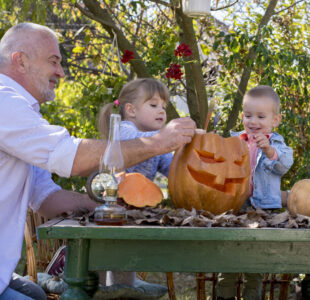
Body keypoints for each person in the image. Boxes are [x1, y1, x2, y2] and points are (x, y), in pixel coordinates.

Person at [0, 22, 196, 299]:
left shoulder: (20, 115)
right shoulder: (3, 102)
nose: (61, 72)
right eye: (53, 61)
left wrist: (107, 210)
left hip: (4, 274)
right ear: (20, 61)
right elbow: (69, 157)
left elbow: (46, 197)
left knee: (38, 294)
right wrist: (159, 142)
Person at [216, 85, 294, 300]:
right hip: (235, 205)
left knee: (255, 257)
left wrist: (269, 150)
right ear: (242, 116)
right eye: (249, 115)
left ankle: (253, 295)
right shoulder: (234, 140)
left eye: (261, 116)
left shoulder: (277, 143)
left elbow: (284, 165)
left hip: (263, 208)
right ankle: (225, 294)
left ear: (275, 120)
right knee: (229, 252)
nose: (254, 122)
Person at [96, 78, 173, 292]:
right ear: (130, 110)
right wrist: (167, 137)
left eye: (164, 107)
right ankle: (99, 289)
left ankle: (122, 291)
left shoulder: (158, 142)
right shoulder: (124, 130)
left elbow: (173, 169)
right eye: (154, 105)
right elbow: (144, 140)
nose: (162, 111)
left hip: (135, 210)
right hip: (112, 209)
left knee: (125, 257)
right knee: (102, 257)